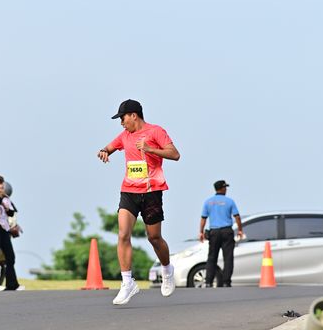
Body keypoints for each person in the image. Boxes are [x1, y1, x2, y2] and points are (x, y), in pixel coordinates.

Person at [98, 99, 180, 305]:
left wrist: (150, 149)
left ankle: (167, 270)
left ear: (134, 115)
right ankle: (127, 283)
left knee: (154, 238)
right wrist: (104, 151)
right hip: (129, 191)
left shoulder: (156, 131)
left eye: (123, 118)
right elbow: (110, 147)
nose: (121, 123)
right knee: (123, 234)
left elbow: (175, 154)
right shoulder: (124, 136)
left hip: (152, 192)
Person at [199, 180, 244, 288]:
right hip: (226, 231)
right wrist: (240, 230)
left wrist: (201, 232)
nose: (226, 189)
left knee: (212, 257)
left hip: (214, 232)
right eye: (225, 187)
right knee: (228, 258)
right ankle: (226, 282)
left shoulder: (208, 202)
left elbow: (203, 218)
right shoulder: (230, 201)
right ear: (222, 188)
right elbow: (237, 217)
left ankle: (208, 282)